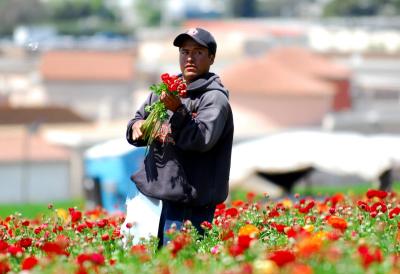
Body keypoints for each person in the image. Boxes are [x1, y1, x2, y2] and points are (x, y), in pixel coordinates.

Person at [126, 27, 234, 247]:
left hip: (190, 204)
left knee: (179, 263)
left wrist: (179, 111)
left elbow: (201, 140)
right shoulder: (166, 89)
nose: (190, 58)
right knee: (146, 262)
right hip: (154, 197)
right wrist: (137, 126)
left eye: (198, 52)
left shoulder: (214, 98)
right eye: (184, 52)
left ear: (211, 58)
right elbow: (137, 121)